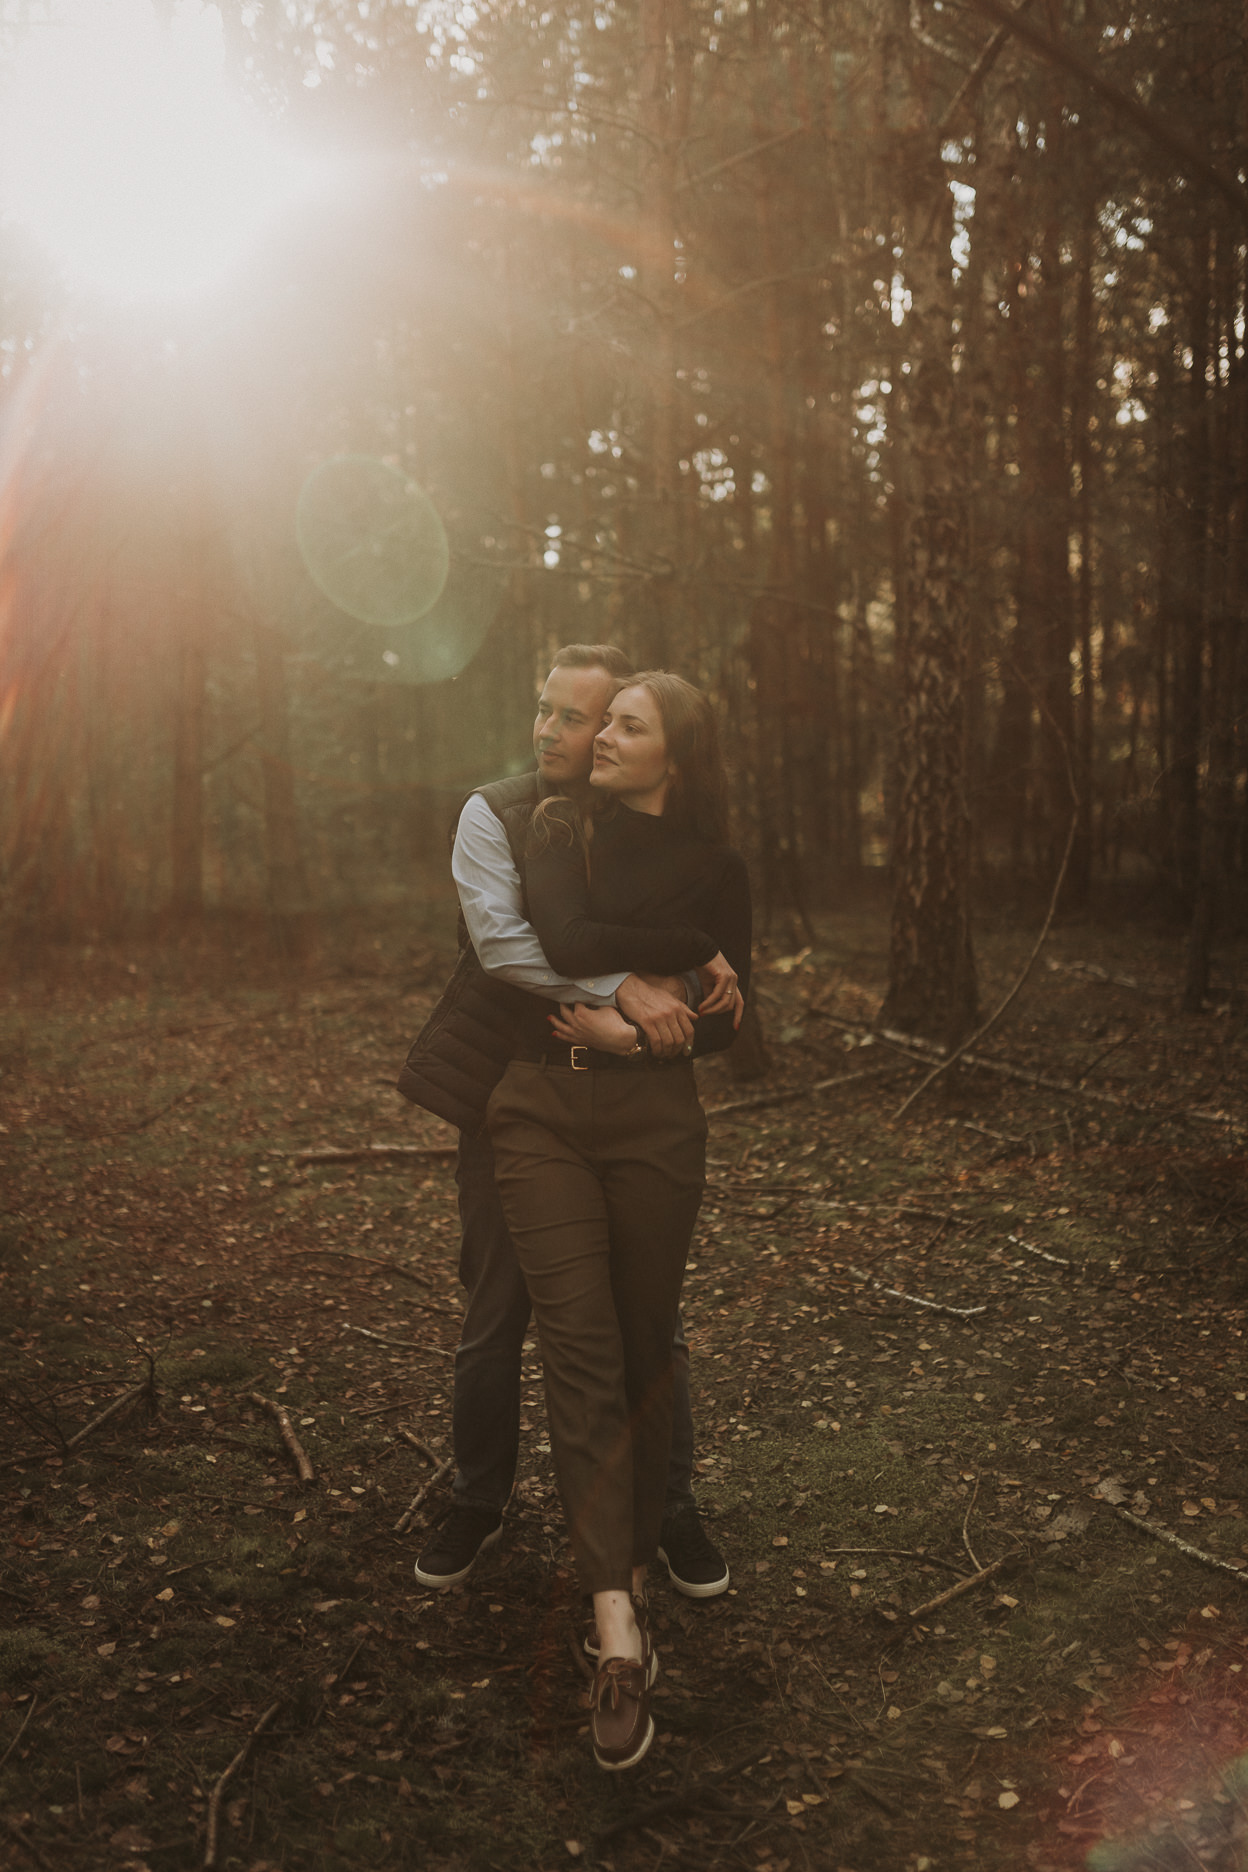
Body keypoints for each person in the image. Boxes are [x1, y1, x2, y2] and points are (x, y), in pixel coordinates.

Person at [397, 645, 730, 1601]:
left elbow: (689, 912)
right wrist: (629, 985)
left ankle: (670, 1508)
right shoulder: (493, 812)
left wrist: (707, 965)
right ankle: (477, 1501)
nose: (549, 729)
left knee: (648, 1321)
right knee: (497, 1307)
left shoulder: (645, 819)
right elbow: (507, 945)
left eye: (575, 717)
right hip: (511, 1089)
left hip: (630, 1101)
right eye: (545, 708)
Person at [484, 671, 751, 1770]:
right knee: (582, 1354)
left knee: (647, 1345)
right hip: (538, 1111)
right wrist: (672, 966)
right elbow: (563, 925)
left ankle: (646, 1541)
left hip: (655, 1119)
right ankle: (616, 1631)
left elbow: (732, 1026)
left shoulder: (720, 864)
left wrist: (635, 1028)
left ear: (674, 761)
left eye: (629, 727)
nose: (601, 738)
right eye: (609, 720)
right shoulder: (552, 823)